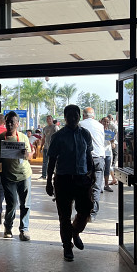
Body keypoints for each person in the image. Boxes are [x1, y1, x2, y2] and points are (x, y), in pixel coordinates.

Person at [46, 105, 94, 262]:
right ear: (65, 117)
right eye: (70, 116)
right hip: (63, 180)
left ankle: (75, 232)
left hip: (82, 179)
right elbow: (51, 160)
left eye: (76, 115)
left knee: (85, 210)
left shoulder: (85, 134)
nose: (73, 118)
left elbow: (88, 155)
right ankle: (67, 246)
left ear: (79, 116)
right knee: (64, 216)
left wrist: (92, 174)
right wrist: (48, 181)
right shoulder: (58, 136)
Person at [0, 111, 33, 241]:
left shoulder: (23, 137)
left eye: (12, 122)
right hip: (8, 177)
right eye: (7, 122)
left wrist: (26, 154)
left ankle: (24, 229)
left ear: (17, 124)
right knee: (11, 204)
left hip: (24, 175)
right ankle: (8, 228)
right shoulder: (0, 138)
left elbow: (30, 155)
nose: (9, 124)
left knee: (25, 204)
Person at [79, 107, 105, 220]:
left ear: (83, 115)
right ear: (93, 116)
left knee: (84, 186)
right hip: (99, 157)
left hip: (85, 158)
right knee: (96, 187)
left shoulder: (80, 125)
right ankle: (93, 214)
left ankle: (83, 212)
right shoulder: (100, 125)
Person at [101, 116, 117, 191]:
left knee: (107, 169)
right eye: (104, 121)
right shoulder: (99, 130)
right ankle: (99, 186)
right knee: (100, 169)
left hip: (107, 153)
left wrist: (112, 142)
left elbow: (112, 142)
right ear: (101, 122)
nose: (106, 123)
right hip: (100, 153)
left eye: (107, 122)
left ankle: (106, 185)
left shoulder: (109, 131)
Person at [40, 115, 59, 179]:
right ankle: (44, 175)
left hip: (53, 148)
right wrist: (41, 146)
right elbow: (43, 138)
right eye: (47, 119)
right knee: (45, 162)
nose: (48, 120)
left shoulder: (55, 127)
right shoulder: (45, 128)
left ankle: (55, 175)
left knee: (54, 162)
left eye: (50, 119)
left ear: (52, 120)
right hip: (46, 147)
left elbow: (58, 137)